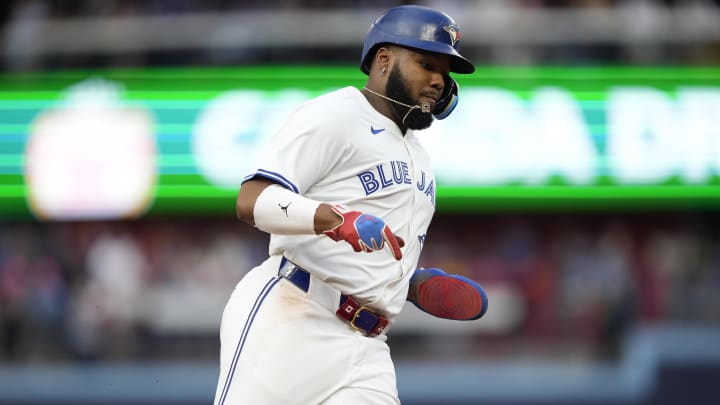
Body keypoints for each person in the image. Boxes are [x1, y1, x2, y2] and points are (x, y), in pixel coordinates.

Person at [214, 5, 488, 405]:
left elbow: (379, 246)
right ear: (383, 60)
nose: (437, 81)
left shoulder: (421, 158)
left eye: (445, 74)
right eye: (426, 64)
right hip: (294, 316)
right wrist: (334, 219)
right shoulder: (336, 114)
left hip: (369, 346)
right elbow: (251, 200)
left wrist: (405, 282)